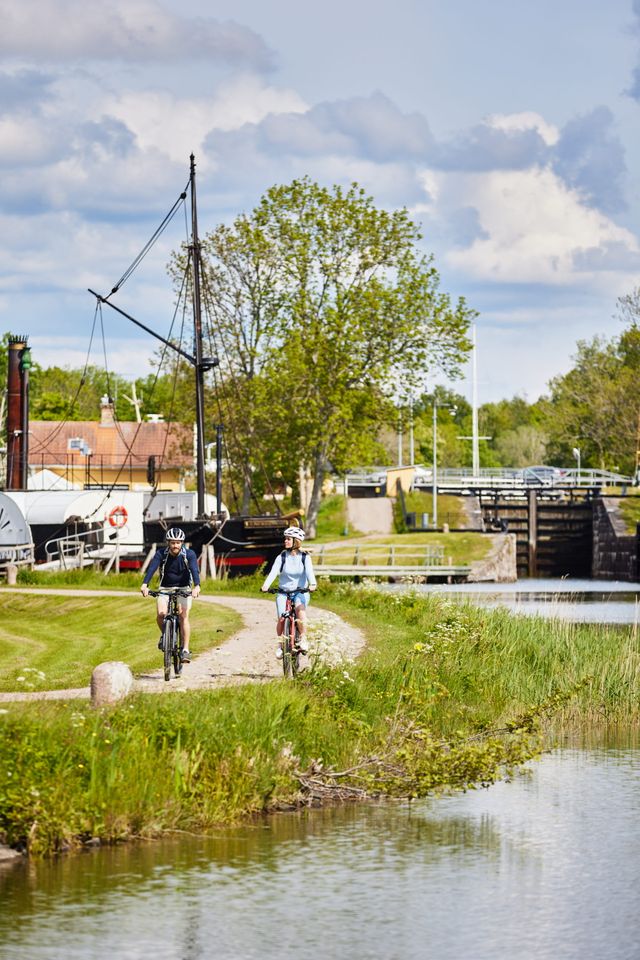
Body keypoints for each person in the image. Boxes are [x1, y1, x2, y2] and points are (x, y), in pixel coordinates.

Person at [140, 527, 201, 663]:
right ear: (168, 543)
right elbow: (152, 568)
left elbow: (194, 570)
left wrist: (197, 586)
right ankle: (166, 635)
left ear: (182, 543)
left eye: (178, 543)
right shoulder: (161, 554)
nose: (175, 545)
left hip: (184, 588)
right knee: (161, 615)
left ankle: (185, 649)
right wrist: (145, 584)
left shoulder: (189, 554)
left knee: (183, 616)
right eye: (173, 542)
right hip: (165, 588)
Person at [261, 525, 317, 659]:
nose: (285, 541)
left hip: (300, 592)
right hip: (283, 592)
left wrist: (313, 584)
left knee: (300, 611)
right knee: (281, 618)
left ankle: (303, 639)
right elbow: (273, 572)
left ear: (295, 541)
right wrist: (265, 585)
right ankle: (280, 645)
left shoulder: (305, 557)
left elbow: (310, 573)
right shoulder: (282, 557)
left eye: (288, 539)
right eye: (285, 539)